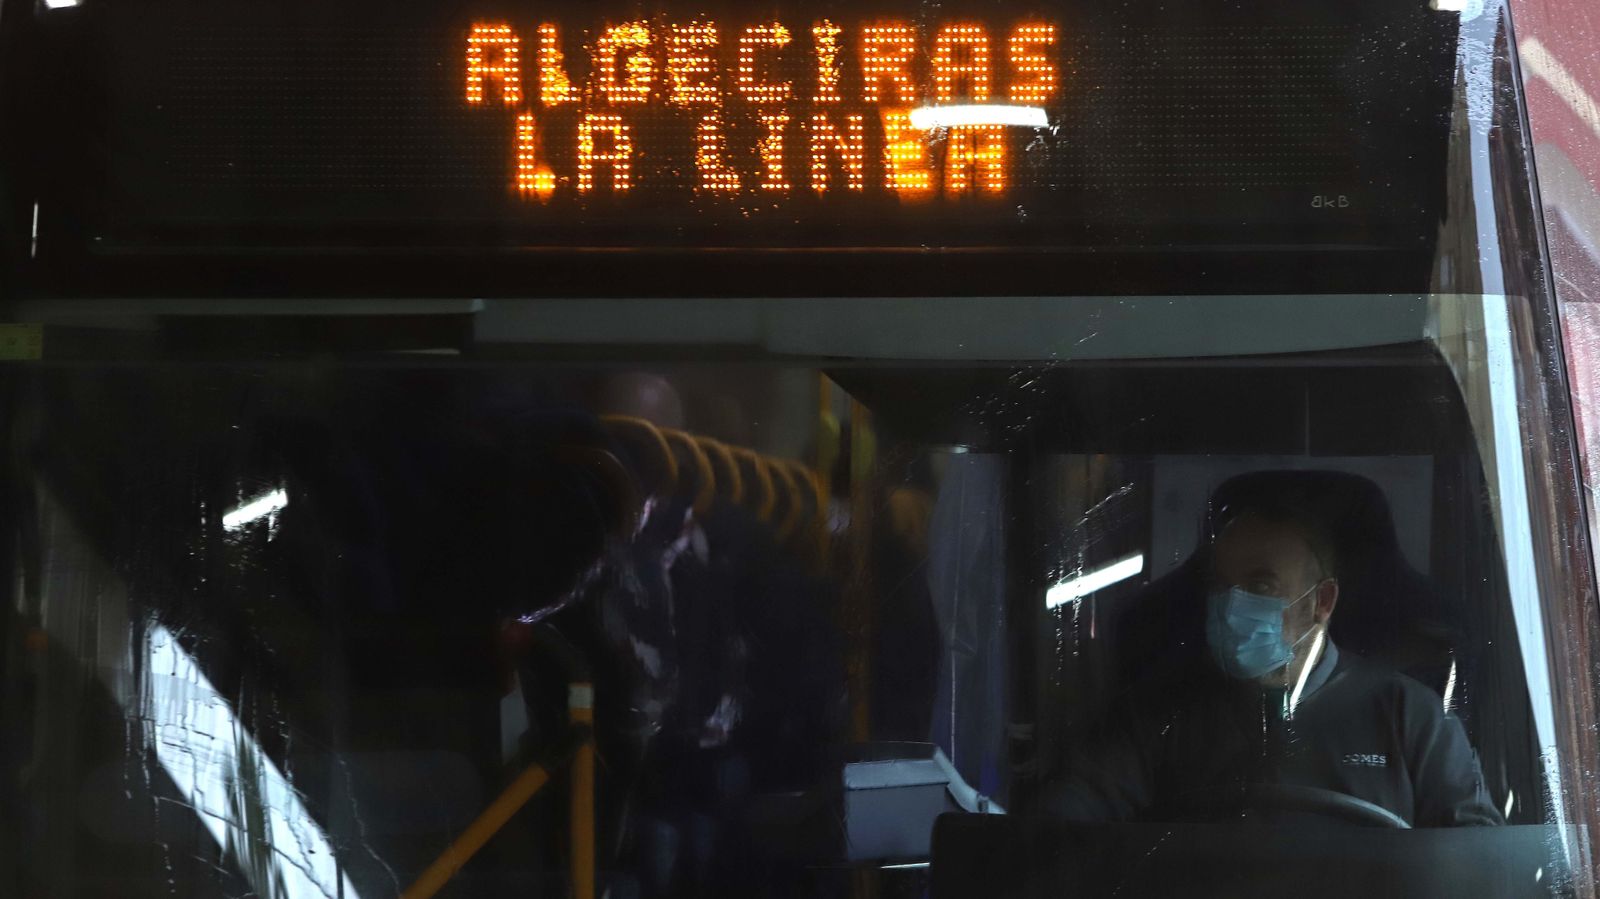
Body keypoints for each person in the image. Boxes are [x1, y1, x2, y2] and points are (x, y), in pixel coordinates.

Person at [1042, 498, 1503, 827]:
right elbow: (1067, 827)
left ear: (1322, 601)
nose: (1231, 605)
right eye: (1222, 587)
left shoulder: (1411, 715)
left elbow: (1475, 856)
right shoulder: (1156, 712)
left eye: (1260, 587)